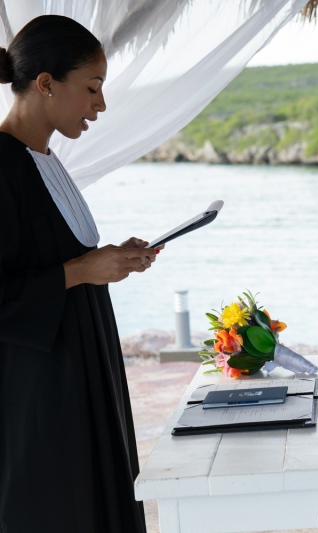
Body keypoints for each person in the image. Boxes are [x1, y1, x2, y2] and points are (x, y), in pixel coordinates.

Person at [0, 15, 159, 533]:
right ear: (46, 83)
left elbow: (54, 259)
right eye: (91, 88)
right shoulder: (1, 164)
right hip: (40, 393)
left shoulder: (42, 158)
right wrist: (80, 270)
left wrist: (109, 259)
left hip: (83, 373)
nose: (101, 104)